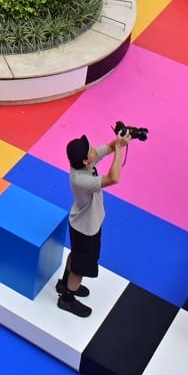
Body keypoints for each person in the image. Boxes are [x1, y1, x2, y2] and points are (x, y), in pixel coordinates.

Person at [59, 133, 130, 317]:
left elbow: (107, 147)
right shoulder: (81, 180)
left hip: (80, 223)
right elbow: (113, 178)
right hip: (86, 228)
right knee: (80, 267)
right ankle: (67, 298)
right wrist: (120, 149)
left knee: (76, 254)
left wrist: (121, 139)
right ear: (84, 161)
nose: (93, 150)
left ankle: (64, 283)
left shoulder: (84, 162)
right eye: (90, 150)